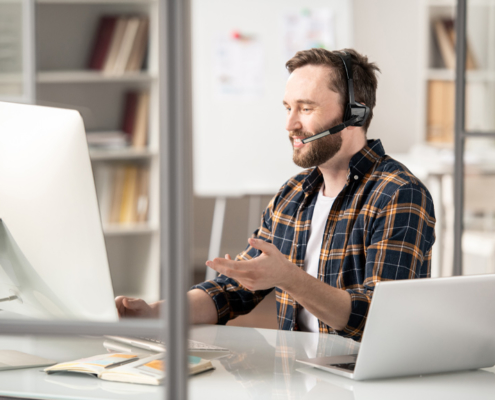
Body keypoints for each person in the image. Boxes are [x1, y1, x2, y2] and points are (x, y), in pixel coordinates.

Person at [115, 48, 436, 342]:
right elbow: (232, 291)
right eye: (287, 108)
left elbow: (377, 318)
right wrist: (153, 313)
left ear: (355, 113)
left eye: (306, 108)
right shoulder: (293, 194)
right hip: (295, 377)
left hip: (362, 382)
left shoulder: (398, 194)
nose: (290, 124)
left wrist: (289, 277)